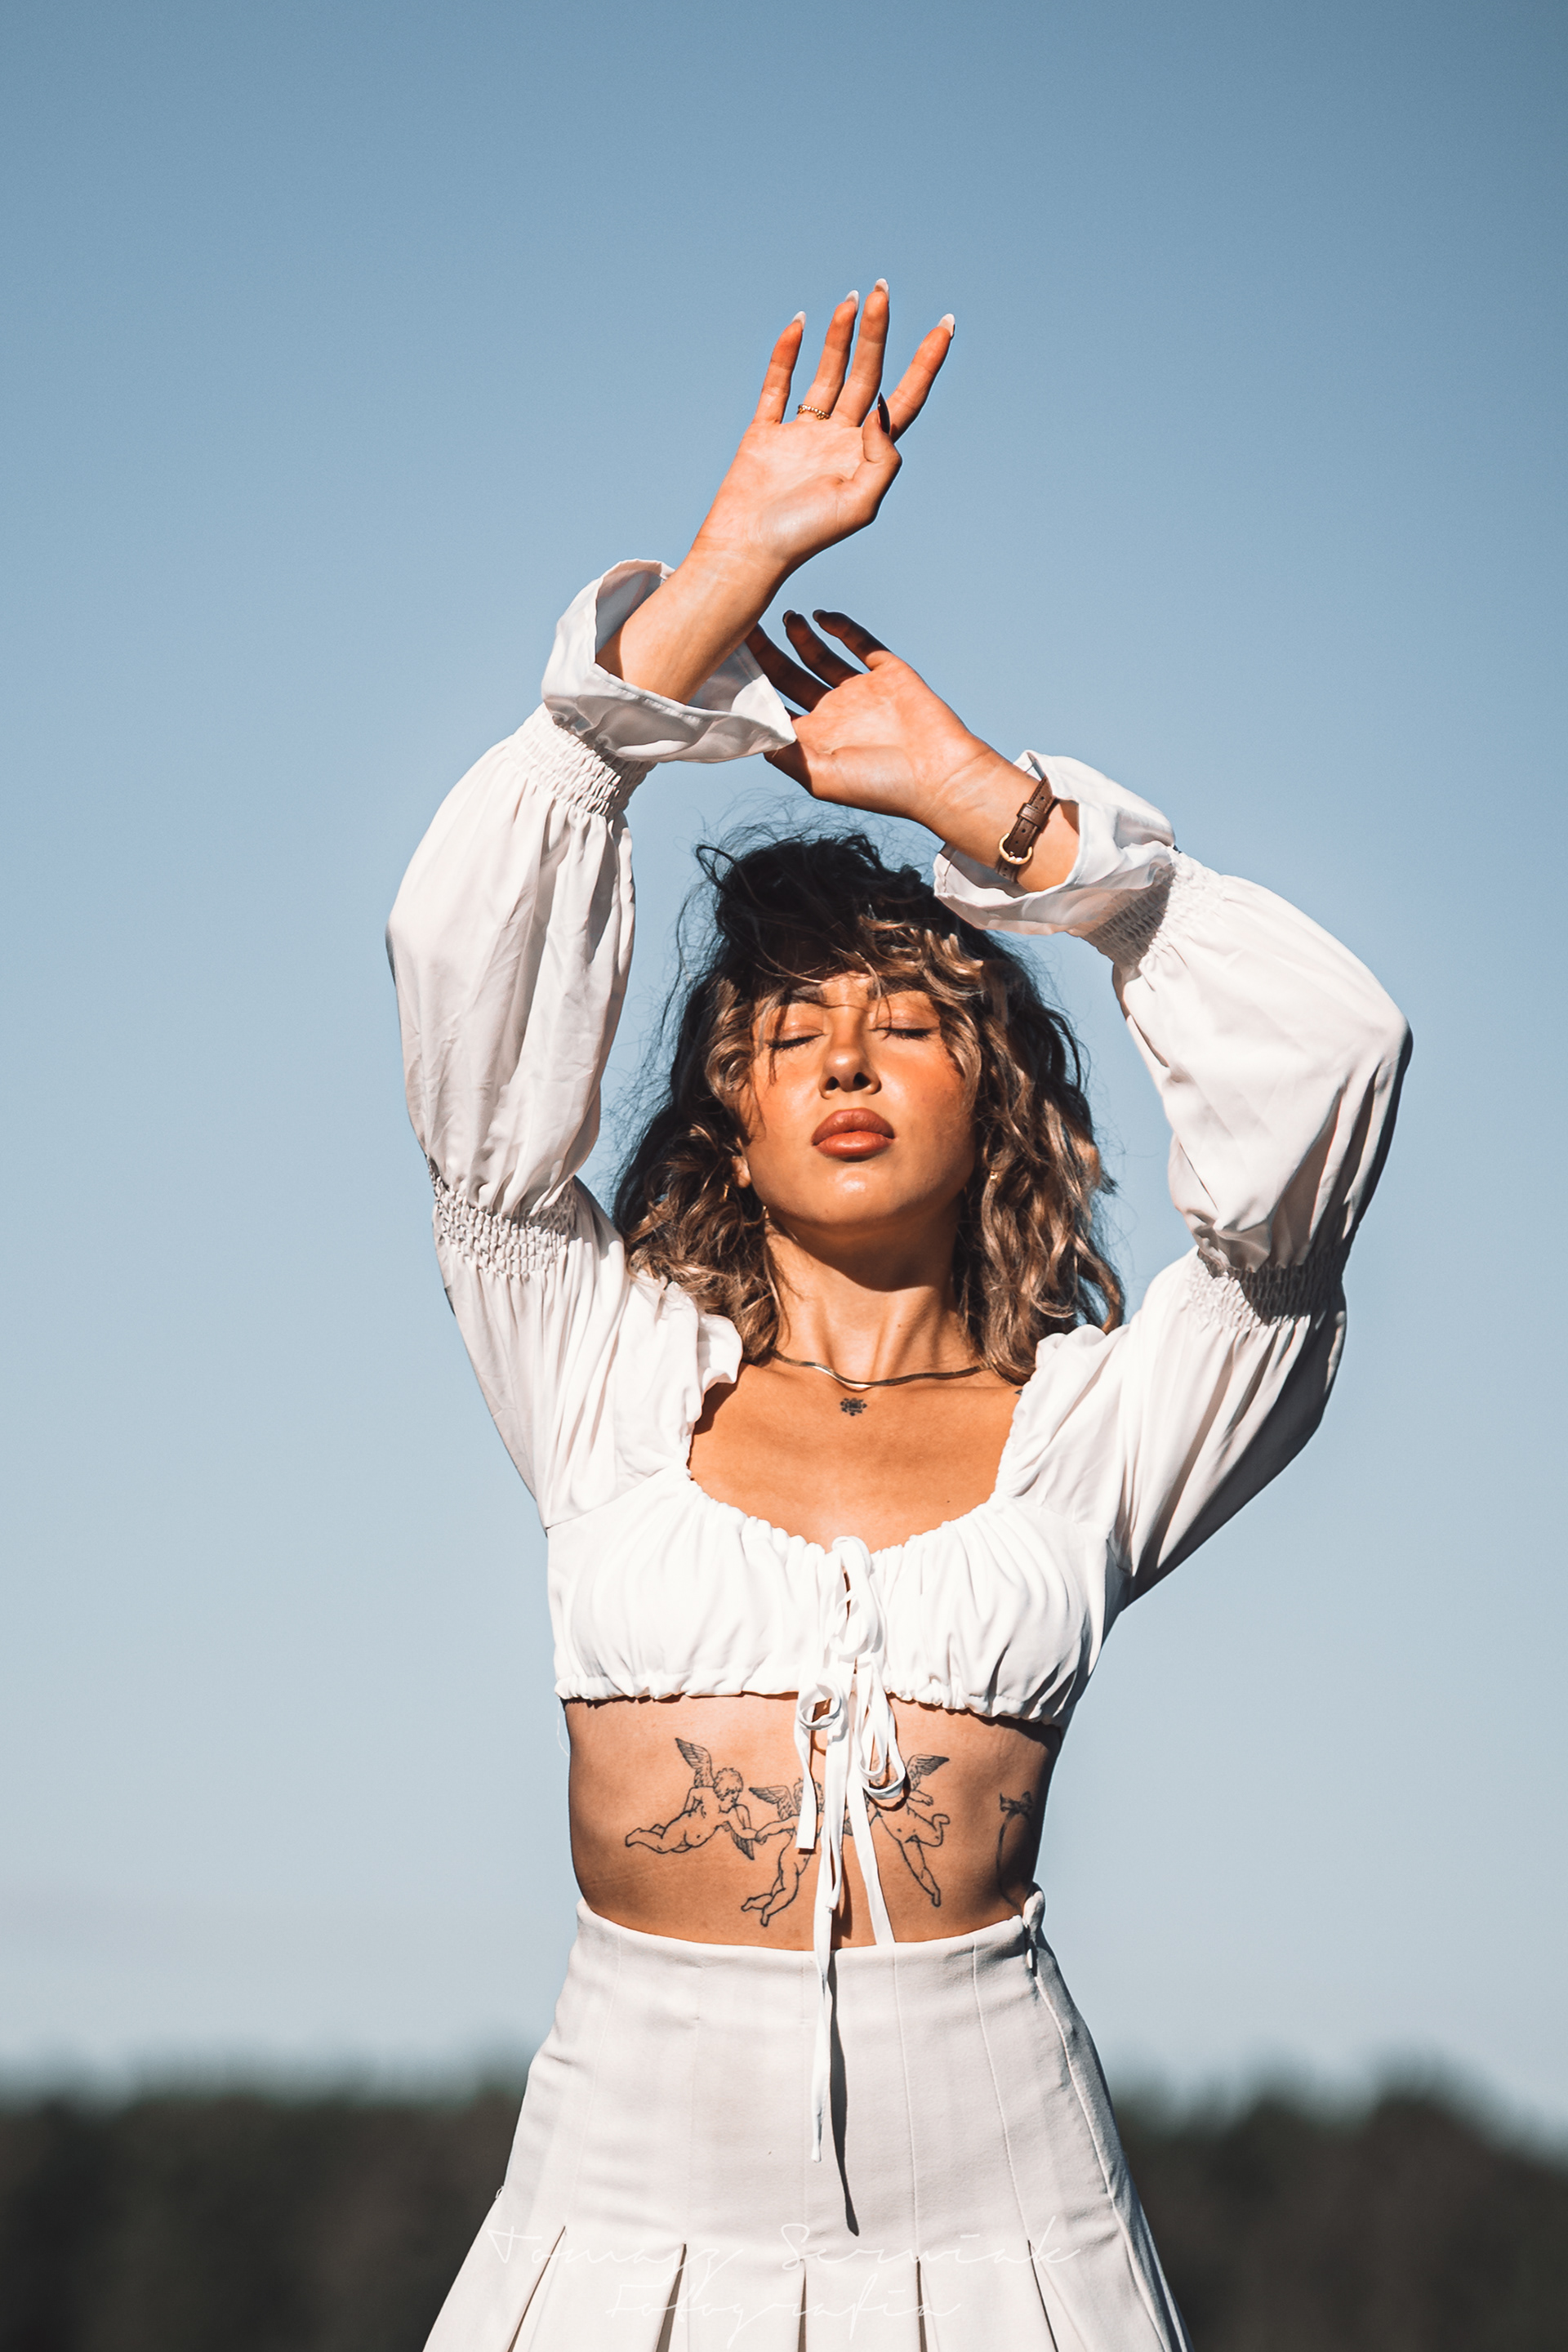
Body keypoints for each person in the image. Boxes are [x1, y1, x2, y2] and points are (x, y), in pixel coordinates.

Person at [387, 286, 1410, 2351]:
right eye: (789, 1032)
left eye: (911, 1021)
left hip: (1010, 2230)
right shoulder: (598, 1365)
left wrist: (992, 808)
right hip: (614, 2222)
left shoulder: (1105, 1425)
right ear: (731, 1109)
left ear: (994, 1093)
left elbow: (1324, 1099)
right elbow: (475, 1011)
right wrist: (727, 570)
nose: (847, 1057)